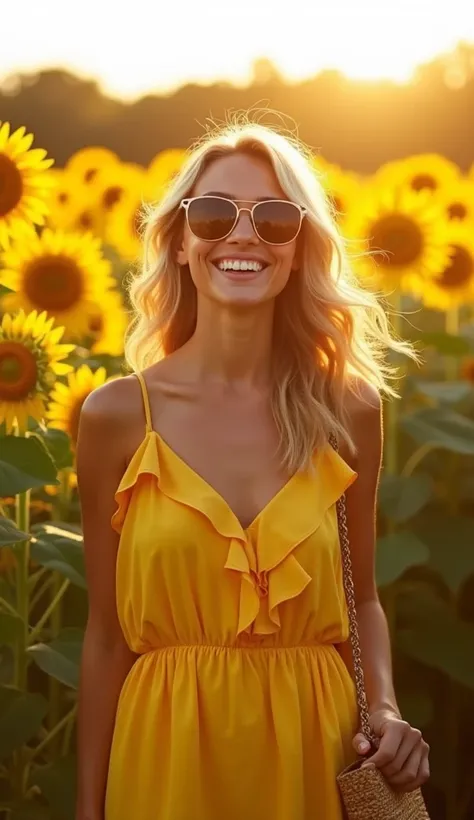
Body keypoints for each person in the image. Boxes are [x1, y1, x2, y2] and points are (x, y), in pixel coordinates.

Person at [75, 120, 430, 820]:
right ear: (180, 242)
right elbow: (106, 637)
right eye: (212, 214)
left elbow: (362, 599)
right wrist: (89, 808)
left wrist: (385, 707)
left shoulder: (347, 408)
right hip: (165, 760)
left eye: (274, 219)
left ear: (299, 252)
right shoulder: (117, 416)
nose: (242, 236)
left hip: (314, 753)